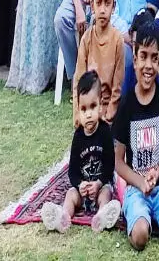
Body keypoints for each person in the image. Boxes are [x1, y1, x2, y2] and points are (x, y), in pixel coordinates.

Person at [113, 22, 159, 251]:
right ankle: (139, 216)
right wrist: (140, 182)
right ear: (134, 60)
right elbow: (118, 162)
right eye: (143, 56)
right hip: (136, 188)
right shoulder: (126, 105)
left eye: (154, 58)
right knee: (140, 238)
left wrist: (157, 173)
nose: (148, 65)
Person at [40, 71, 121, 234]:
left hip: (100, 185)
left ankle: (101, 216)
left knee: (106, 194)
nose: (88, 114)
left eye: (93, 107)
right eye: (83, 109)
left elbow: (109, 165)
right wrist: (80, 185)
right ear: (78, 110)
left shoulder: (105, 132)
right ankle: (63, 217)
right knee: (71, 195)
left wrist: (98, 183)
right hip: (83, 190)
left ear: (100, 105)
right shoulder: (78, 137)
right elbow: (72, 171)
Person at [70, 0, 124, 124]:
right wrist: (78, 115)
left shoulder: (117, 40)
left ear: (113, 6)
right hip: (88, 109)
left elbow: (117, 87)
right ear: (92, 5)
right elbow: (79, 81)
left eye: (107, 3)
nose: (102, 9)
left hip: (108, 114)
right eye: (98, 3)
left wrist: (108, 114)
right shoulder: (86, 39)